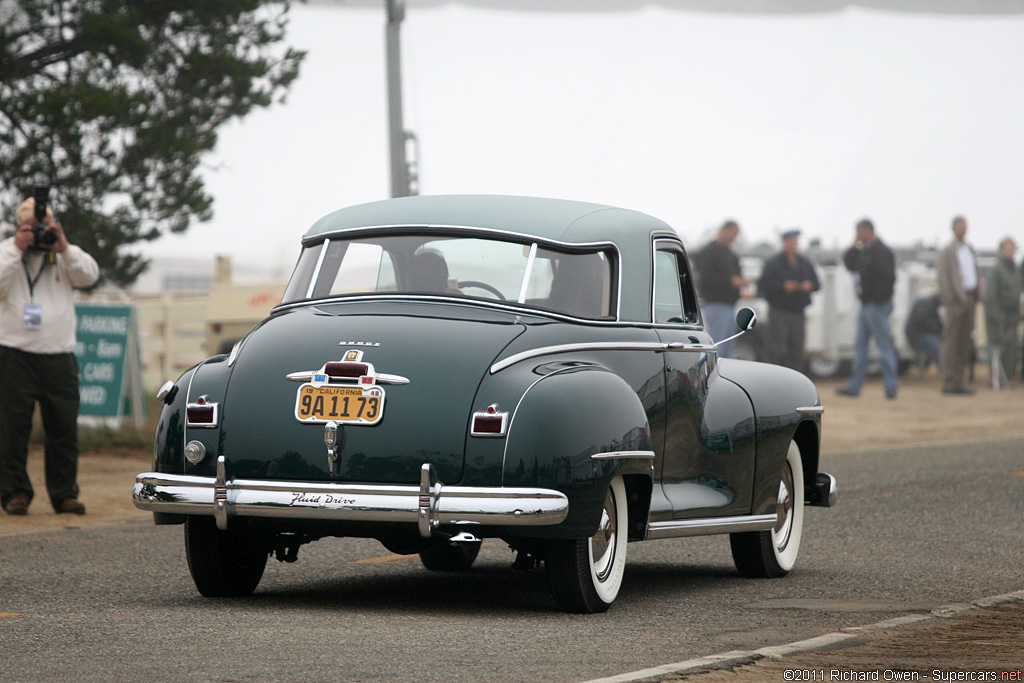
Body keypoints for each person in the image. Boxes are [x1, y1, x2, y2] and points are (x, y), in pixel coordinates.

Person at [0, 194, 99, 516]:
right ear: (18, 227)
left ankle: (64, 494)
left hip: (59, 355)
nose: (37, 234)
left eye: (42, 228)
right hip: (14, 354)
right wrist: (16, 248)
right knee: (11, 429)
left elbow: (89, 276)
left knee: (64, 429)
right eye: (29, 228)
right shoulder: (7, 251)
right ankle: (14, 494)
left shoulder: (64, 253)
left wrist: (64, 248)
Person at [836, 218, 899, 399]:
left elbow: (888, 279)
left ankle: (891, 387)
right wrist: (853, 246)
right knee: (861, 347)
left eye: (858, 232)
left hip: (876, 306)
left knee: (883, 346)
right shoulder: (864, 250)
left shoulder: (881, 251)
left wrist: (875, 300)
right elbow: (848, 263)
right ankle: (854, 386)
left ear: (867, 231)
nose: (856, 236)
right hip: (866, 306)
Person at [757, 228, 820, 371]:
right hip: (779, 311)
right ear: (784, 242)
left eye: (795, 241)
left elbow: (817, 284)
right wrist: (783, 286)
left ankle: (795, 379)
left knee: (797, 349)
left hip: (798, 312)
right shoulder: (774, 263)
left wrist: (808, 285)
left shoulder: (804, 263)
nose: (793, 244)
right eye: (790, 241)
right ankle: (771, 378)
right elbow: (763, 285)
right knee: (775, 348)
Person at [935, 216, 979, 395]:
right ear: (953, 228)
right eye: (959, 226)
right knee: (952, 342)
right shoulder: (947, 251)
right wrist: (949, 298)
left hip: (970, 298)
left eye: (965, 226)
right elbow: (943, 276)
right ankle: (949, 381)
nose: (963, 229)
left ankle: (960, 381)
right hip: (955, 302)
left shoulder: (969, 250)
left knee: (964, 343)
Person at [693, 220, 749, 358]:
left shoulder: (731, 255)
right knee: (717, 345)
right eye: (733, 235)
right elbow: (706, 278)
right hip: (715, 304)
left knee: (728, 348)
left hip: (730, 305)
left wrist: (740, 282)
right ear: (724, 231)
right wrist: (729, 281)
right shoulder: (708, 252)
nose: (733, 239)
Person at [983, 237, 1022, 387]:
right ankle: (995, 377)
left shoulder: (1015, 269)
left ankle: (1008, 377)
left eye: (1013, 248)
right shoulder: (996, 269)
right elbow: (990, 295)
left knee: (1011, 347)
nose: (1012, 251)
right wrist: (994, 314)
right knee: (997, 347)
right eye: (1009, 248)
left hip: (1013, 315)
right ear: (1001, 250)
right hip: (999, 315)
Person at [904, 292, 943, 370]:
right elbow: (926, 322)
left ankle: (946, 372)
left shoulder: (931, 305)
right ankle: (945, 373)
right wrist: (938, 332)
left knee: (941, 347)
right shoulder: (926, 304)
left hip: (922, 335)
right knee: (939, 349)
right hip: (918, 336)